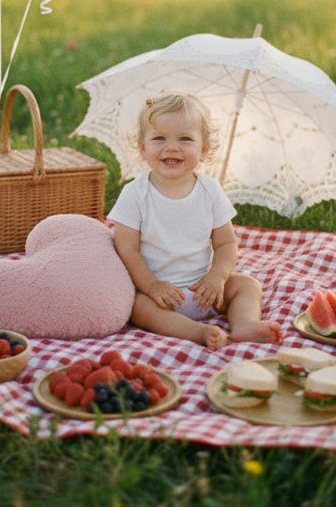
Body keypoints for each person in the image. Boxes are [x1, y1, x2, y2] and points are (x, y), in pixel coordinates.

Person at [108, 93, 283, 351]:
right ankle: (197, 332)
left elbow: (226, 244)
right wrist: (151, 285)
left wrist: (217, 277)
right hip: (159, 294)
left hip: (205, 290)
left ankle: (244, 324)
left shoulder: (210, 191)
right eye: (159, 138)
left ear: (204, 149)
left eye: (185, 139)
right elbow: (126, 248)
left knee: (247, 284)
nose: (172, 147)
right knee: (136, 306)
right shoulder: (135, 194)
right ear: (142, 147)